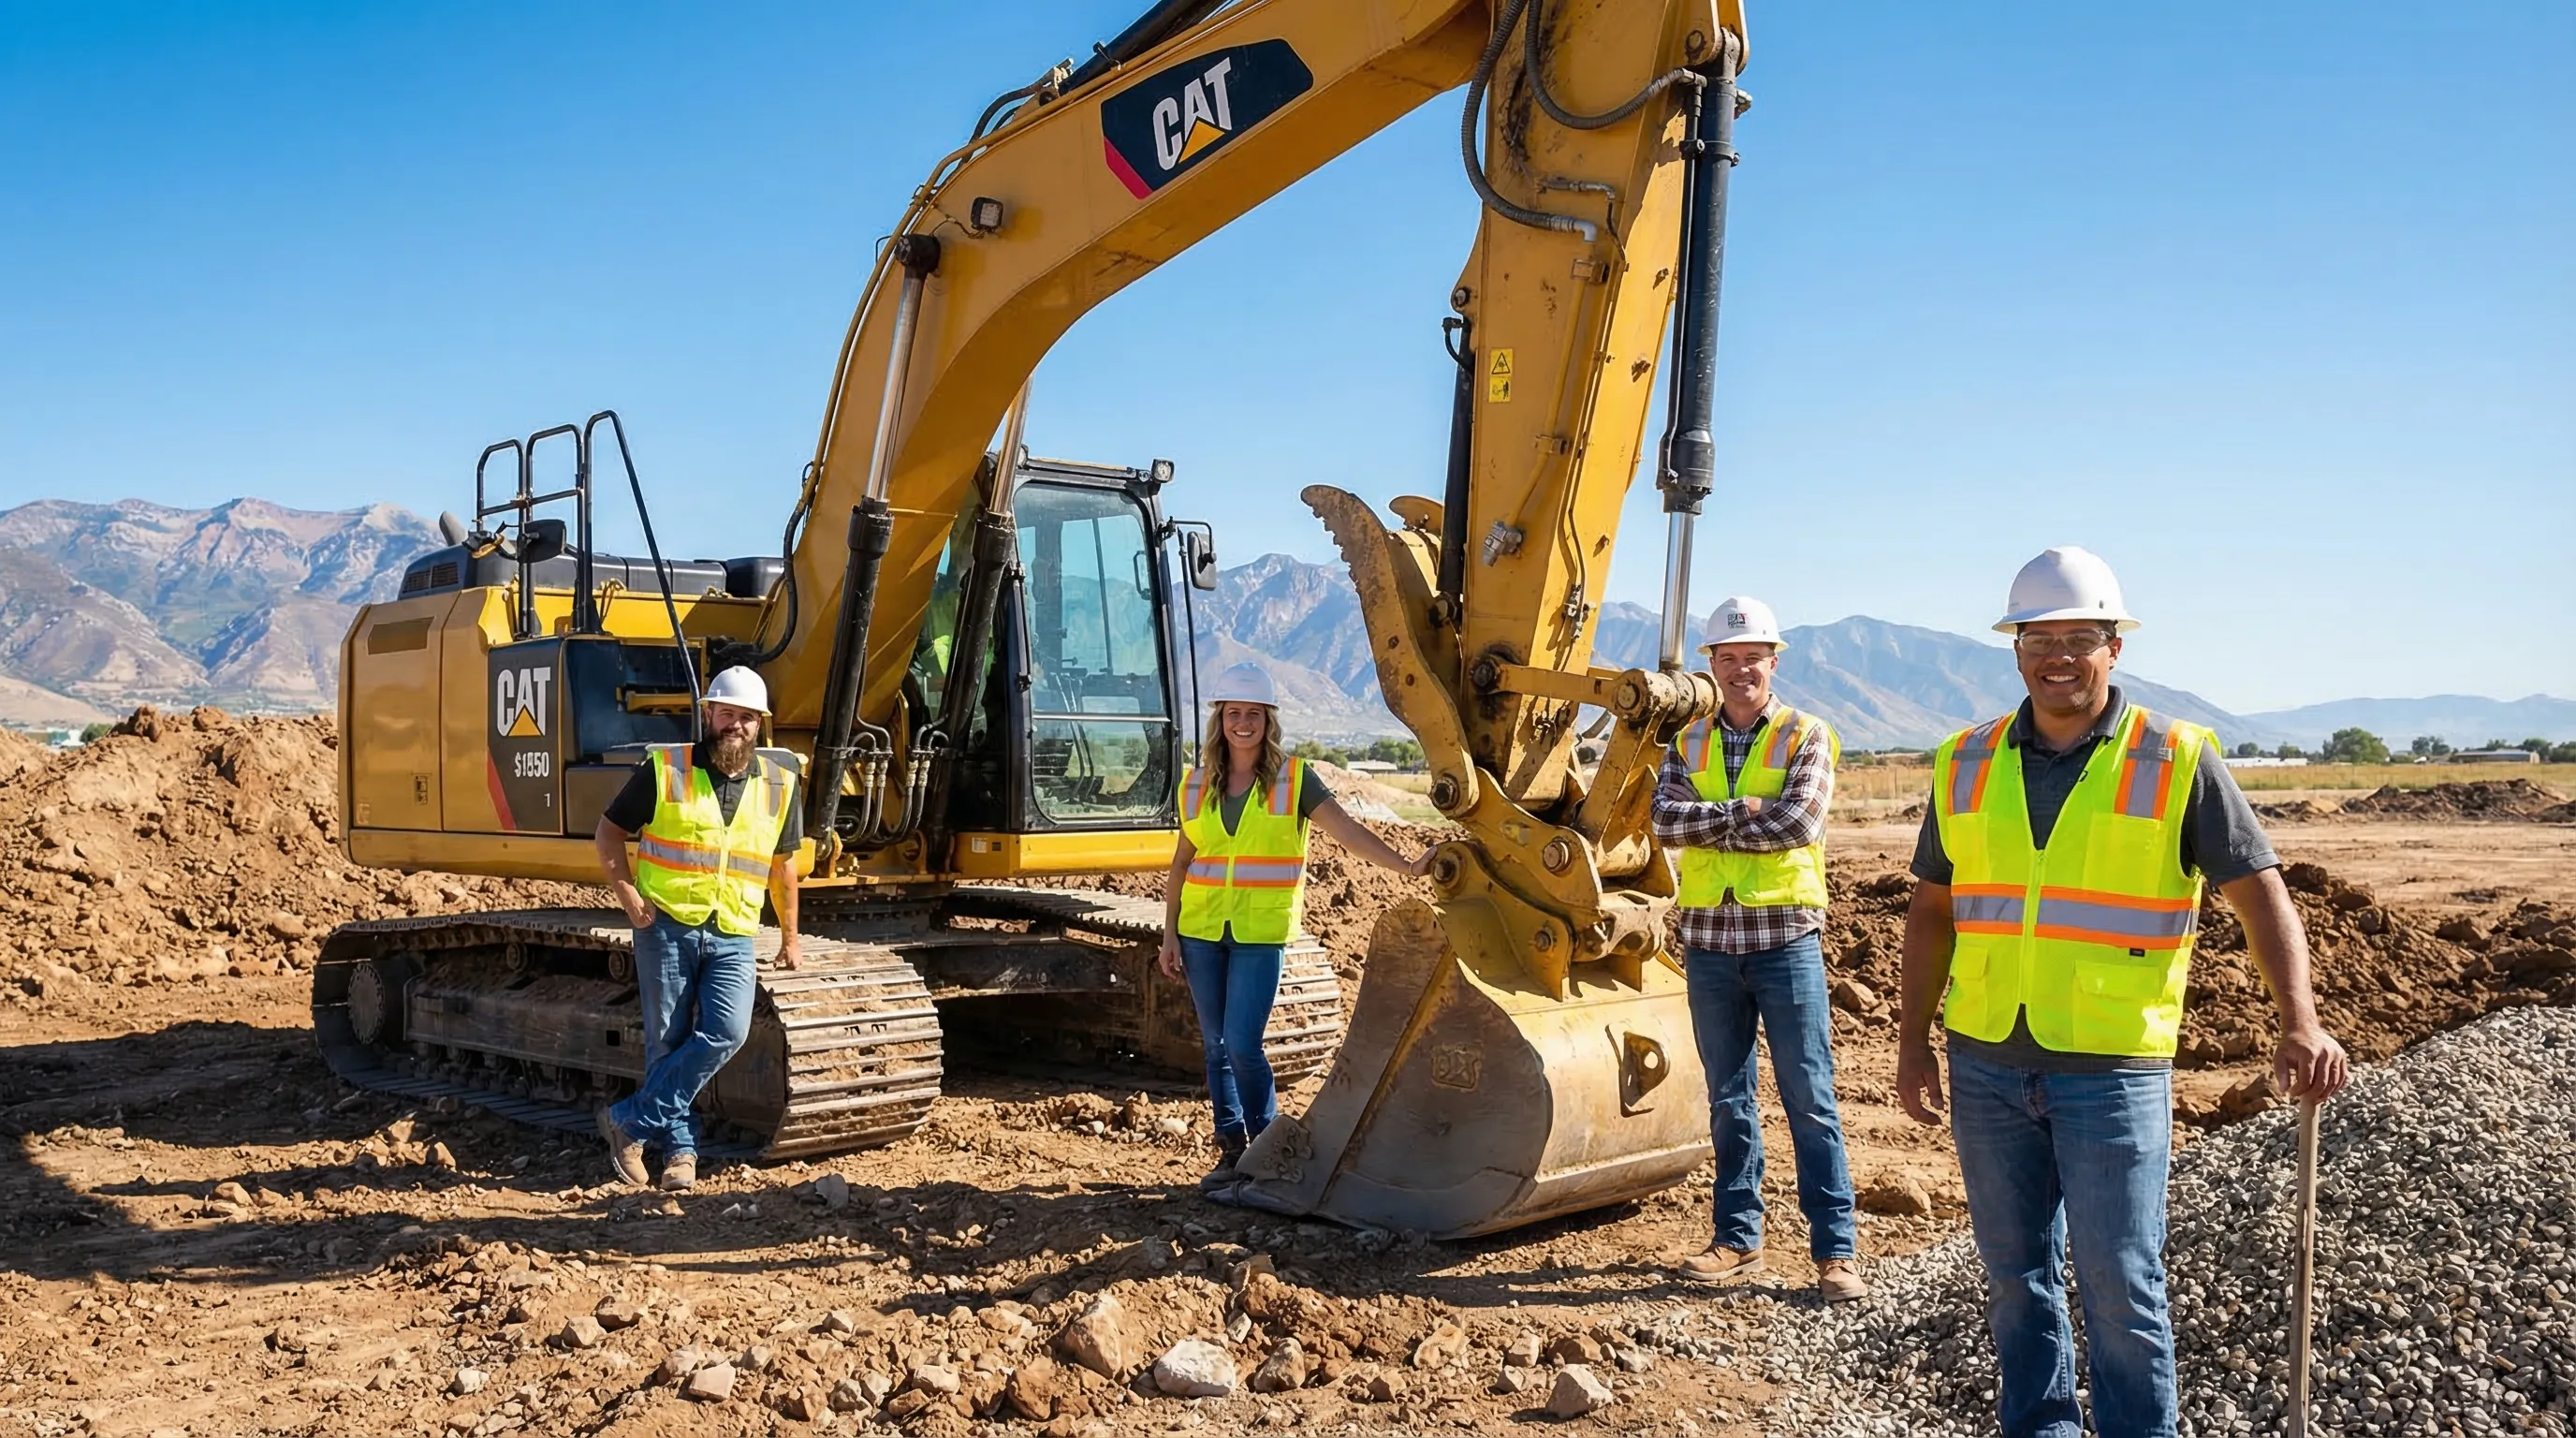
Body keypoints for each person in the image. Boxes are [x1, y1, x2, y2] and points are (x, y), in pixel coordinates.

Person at [1894, 547, 2350, 1438]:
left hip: (2111, 1067)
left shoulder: (2176, 757)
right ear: (2016, 650)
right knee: (2014, 1279)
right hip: (1986, 1060)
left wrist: (2300, 1018)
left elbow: (2260, 893)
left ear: (2115, 648)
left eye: (2079, 639)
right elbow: (1932, 912)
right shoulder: (1965, 759)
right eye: (2039, 639)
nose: (2058, 657)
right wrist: (1913, 1042)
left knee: (2120, 1285)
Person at [1651, 595, 1866, 1303]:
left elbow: (1798, 824)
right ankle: (1737, 1237)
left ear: (1774, 663)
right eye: (1729, 658)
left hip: (1784, 940)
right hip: (1710, 942)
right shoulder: (1686, 742)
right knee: (1728, 1099)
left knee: (1810, 1097)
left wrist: (1712, 821)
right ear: (1711, 665)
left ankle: (1835, 1251)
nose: (1741, 669)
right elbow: (1664, 823)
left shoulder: (1807, 734)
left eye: (1753, 658)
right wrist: (1743, 811)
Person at [1157, 661, 1432, 1189]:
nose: (1243, 723)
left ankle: (1269, 1150)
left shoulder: (1295, 779)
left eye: (1253, 714)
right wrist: (1170, 934)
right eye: (1233, 713)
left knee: (1242, 1044)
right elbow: (1181, 863)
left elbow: (1348, 833)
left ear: (1268, 720)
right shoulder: (1196, 784)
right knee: (1215, 1047)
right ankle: (1231, 1149)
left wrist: (1406, 865)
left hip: (1260, 935)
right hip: (1200, 932)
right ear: (1220, 719)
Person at [592, 666, 805, 1192]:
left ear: (760, 724)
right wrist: (628, 895)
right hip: (667, 924)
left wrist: (790, 937)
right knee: (668, 1043)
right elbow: (609, 832)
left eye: (747, 717)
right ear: (709, 714)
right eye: (727, 713)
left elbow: (784, 867)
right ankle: (680, 1154)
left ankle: (630, 1122)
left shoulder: (779, 783)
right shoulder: (666, 769)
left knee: (727, 1032)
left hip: (733, 929)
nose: (736, 725)